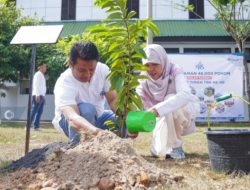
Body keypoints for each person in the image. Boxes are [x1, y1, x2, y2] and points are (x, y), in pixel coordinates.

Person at [52, 41, 137, 143]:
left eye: (92, 69)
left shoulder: (103, 70)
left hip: (98, 117)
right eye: (82, 70)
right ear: (71, 63)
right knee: (87, 110)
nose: (88, 74)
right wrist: (98, 133)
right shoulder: (65, 82)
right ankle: (78, 149)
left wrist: (129, 120)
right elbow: (72, 118)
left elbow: (113, 99)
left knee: (119, 122)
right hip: (69, 121)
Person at [136, 44, 199, 159]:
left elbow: (185, 95)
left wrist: (157, 110)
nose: (150, 69)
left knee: (170, 98)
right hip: (161, 119)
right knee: (158, 152)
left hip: (182, 118)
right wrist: (133, 127)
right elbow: (137, 101)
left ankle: (176, 147)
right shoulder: (143, 78)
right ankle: (165, 147)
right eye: (147, 65)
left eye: (155, 64)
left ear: (163, 60)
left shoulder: (174, 70)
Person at [29, 63, 47, 131]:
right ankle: (28, 126)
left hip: (41, 96)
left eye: (45, 67)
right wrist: (37, 95)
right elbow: (36, 85)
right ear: (40, 67)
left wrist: (43, 97)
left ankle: (36, 126)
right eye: (44, 67)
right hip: (37, 95)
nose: (45, 68)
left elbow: (42, 87)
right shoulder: (38, 74)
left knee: (39, 112)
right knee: (34, 111)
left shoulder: (42, 75)